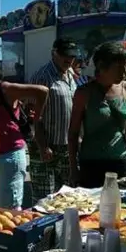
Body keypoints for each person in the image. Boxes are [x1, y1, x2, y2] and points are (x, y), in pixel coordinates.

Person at [67, 42, 126, 188]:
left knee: (121, 208)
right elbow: (73, 133)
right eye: (119, 67)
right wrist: (74, 169)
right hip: (91, 165)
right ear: (102, 66)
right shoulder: (84, 93)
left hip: (120, 162)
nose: (125, 71)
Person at [0, 67, 48, 209]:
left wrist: (37, 119)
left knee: (9, 209)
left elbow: (42, 91)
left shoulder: (5, 88)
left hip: (10, 154)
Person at [28, 38, 78, 203]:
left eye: (72, 56)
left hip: (66, 147)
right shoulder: (42, 77)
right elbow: (34, 116)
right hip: (46, 147)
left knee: (67, 198)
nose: (69, 60)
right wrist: (43, 146)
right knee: (45, 200)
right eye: (64, 55)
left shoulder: (71, 75)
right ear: (53, 53)